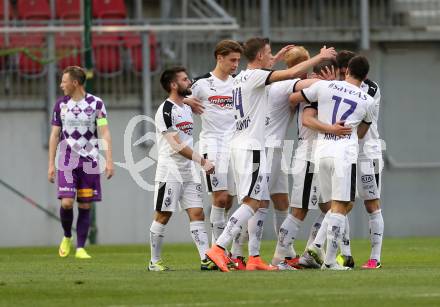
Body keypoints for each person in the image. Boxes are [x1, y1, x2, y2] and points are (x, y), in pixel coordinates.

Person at [206, 37, 337, 272]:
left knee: (264, 201)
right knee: (254, 202)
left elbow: (276, 74)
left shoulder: (241, 79)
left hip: (245, 144)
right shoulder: (267, 79)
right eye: (268, 53)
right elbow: (291, 77)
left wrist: (274, 61)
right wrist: (321, 60)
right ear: (259, 56)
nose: (272, 56)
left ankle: (253, 256)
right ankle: (222, 248)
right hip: (256, 147)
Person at [291, 55, 376, 270]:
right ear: (365, 77)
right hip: (343, 154)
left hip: (321, 152)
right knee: (341, 206)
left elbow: (295, 98)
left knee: (333, 205)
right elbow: (362, 132)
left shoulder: (326, 87)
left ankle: (317, 247)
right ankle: (329, 261)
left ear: (345, 71)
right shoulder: (368, 100)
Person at [272, 55, 352, 269]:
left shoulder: (325, 90)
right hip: (308, 157)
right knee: (299, 210)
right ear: (330, 73)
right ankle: (280, 257)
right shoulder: (317, 91)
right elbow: (306, 118)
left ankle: (311, 251)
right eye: (339, 73)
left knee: (332, 209)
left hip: (320, 157)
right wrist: (332, 129)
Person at [148, 67, 216, 271]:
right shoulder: (165, 111)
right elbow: (176, 145)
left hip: (189, 171)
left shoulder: (185, 106)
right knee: (163, 214)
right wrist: (201, 161)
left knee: (197, 213)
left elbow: (204, 76)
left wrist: (187, 101)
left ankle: (206, 259)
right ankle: (154, 261)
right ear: (173, 85)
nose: (190, 82)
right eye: (185, 80)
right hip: (170, 170)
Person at [48, 66, 114, 259]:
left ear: (75, 83)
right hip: (67, 159)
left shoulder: (96, 104)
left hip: (90, 161)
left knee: (85, 204)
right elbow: (54, 135)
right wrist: (51, 164)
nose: (61, 85)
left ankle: (80, 248)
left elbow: (105, 132)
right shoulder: (60, 105)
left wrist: (109, 160)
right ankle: (67, 235)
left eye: (64, 81)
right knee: (67, 203)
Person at [188, 40, 243, 249]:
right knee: (219, 198)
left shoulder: (239, 82)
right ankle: (216, 251)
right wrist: (187, 101)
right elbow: (175, 99)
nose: (236, 64)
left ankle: (222, 249)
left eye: (238, 60)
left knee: (229, 199)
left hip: (235, 146)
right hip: (213, 144)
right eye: (232, 60)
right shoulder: (202, 83)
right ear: (219, 57)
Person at [336, 50, 384, 269]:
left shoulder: (370, 90)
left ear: (348, 71)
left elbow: (362, 131)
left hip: (367, 153)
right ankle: (345, 255)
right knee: (343, 202)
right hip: (346, 152)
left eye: (342, 72)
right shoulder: (336, 86)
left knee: (371, 204)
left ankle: (375, 258)